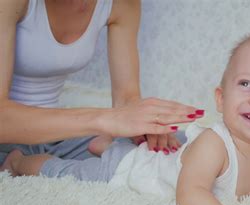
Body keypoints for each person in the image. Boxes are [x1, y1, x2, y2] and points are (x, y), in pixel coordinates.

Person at [1, 31, 250, 205]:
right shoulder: (215, 146)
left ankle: (105, 145)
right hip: (130, 170)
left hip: (157, 156)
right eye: (246, 84)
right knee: (68, 172)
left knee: (158, 149)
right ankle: (20, 161)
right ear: (220, 98)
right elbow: (190, 195)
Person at [0, 0, 201, 165]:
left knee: (182, 151)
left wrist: (147, 128)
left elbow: (126, 99)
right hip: (7, 139)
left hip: (56, 138)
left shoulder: (123, 4)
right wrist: (103, 120)